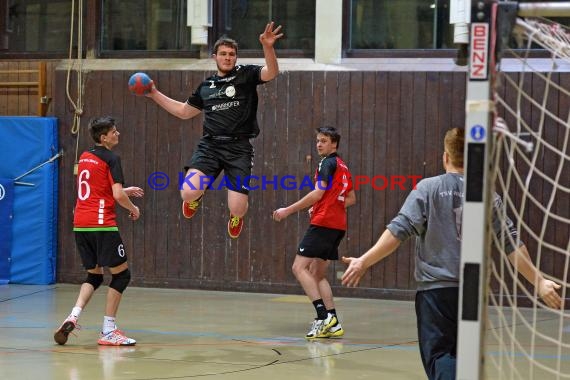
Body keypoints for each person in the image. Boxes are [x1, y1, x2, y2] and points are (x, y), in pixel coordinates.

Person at [341, 127, 562, 379]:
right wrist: (539, 281)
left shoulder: (428, 188)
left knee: (440, 358)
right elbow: (511, 243)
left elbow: (398, 230)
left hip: (436, 293)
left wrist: (364, 261)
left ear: (445, 156)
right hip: (473, 294)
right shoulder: (488, 194)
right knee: (465, 361)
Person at [146, 22, 283, 239]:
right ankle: (197, 197)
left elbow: (272, 72)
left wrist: (268, 47)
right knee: (188, 192)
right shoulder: (205, 87)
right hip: (210, 146)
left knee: (237, 207)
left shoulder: (246, 75)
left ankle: (235, 216)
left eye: (231, 54)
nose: (228, 57)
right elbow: (183, 111)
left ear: (236, 57)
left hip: (239, 148)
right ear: (215, 57)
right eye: (223, 54)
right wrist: (154, 93)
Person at [54, 116, 143, 346]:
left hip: (81, 223)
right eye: (114, 132)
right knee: (122, 275)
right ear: (104, 137)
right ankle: (108, 330)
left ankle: (73, 315)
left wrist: (125, 190)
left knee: (94, 275)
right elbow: (116, 195)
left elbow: (98, 186)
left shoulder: (85, 156)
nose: (118, 134)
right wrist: (133, 208)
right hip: (102, 225)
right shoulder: (112, 158)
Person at [273, 126, 356, 339]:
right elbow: (350, 199)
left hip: (323, 224)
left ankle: (322, 317)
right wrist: (327, 205)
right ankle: (333, 321)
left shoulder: (326, 163)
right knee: (318, 274)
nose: (319, 144)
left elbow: (318, 192)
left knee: (298, 267)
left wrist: (287, 210)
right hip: (337, 225)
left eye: (324, 141)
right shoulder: (343, 166)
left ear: (334, 143)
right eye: (318, 140)